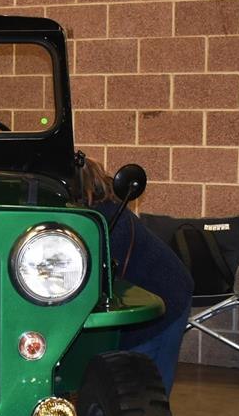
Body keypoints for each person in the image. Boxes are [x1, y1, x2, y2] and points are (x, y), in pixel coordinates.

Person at [80, 158, 193, 395]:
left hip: (166, 301)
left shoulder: (108, 220)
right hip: (149, 295)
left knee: (147, 393)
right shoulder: (97, 215)